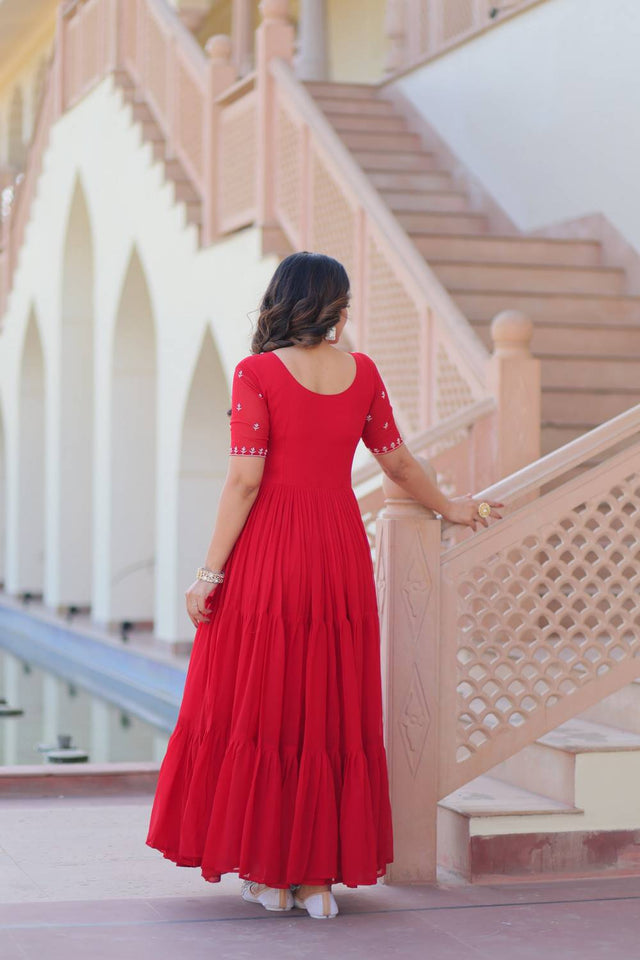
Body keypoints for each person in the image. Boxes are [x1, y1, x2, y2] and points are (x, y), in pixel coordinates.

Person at [145, 251, 502, 920]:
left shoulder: (256, 372)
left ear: (280, 300)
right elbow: (395, 458)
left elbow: (246, 480)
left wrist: (208, 574)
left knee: (264, 703)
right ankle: (316, 885)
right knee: (326, 706)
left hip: (271, 555)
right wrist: (451, 506)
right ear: (333, 306)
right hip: (336, 550)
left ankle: (272, 879)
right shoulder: (362, 372)